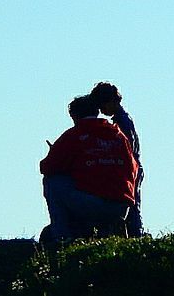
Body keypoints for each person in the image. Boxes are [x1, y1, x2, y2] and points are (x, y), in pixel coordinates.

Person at [39, 94, 138, 247]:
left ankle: (63, 238)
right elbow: (133, 167)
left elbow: (47, 167)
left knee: (53, 181)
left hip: (94, 204)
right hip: (121, 207)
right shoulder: (118, 135)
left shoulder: (74, 135)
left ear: (74, 116)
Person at [89, 81, 145, 237]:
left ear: (113, 101)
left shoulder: (121, 122)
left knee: (131, 204)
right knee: (131, 204)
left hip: (130, 169)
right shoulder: (123, 119)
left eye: (103, 106)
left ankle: (136, 235)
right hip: (132, 167)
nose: (102, 110)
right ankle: (134, 234)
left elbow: (128, 148)